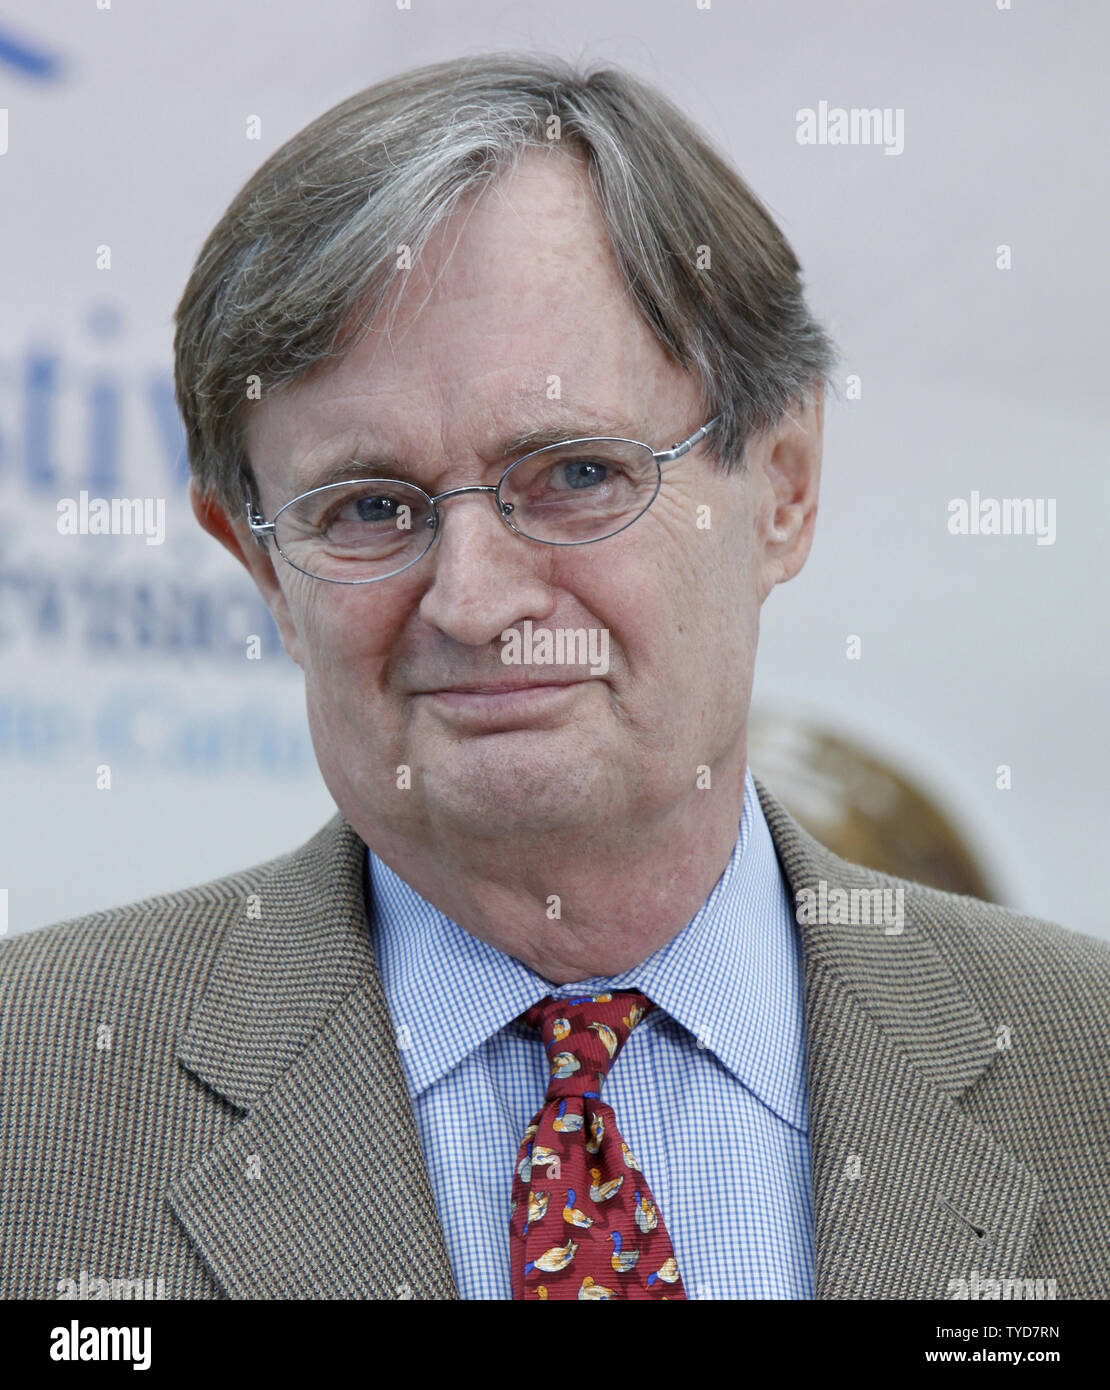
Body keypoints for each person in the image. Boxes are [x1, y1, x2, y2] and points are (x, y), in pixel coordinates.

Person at [2, 53, 1106, 1302]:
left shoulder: (1086, 1071)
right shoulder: (30, 1098)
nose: (474, 601)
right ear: (259, 563)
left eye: (575, 476)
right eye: (370, 507)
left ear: (785, 484)